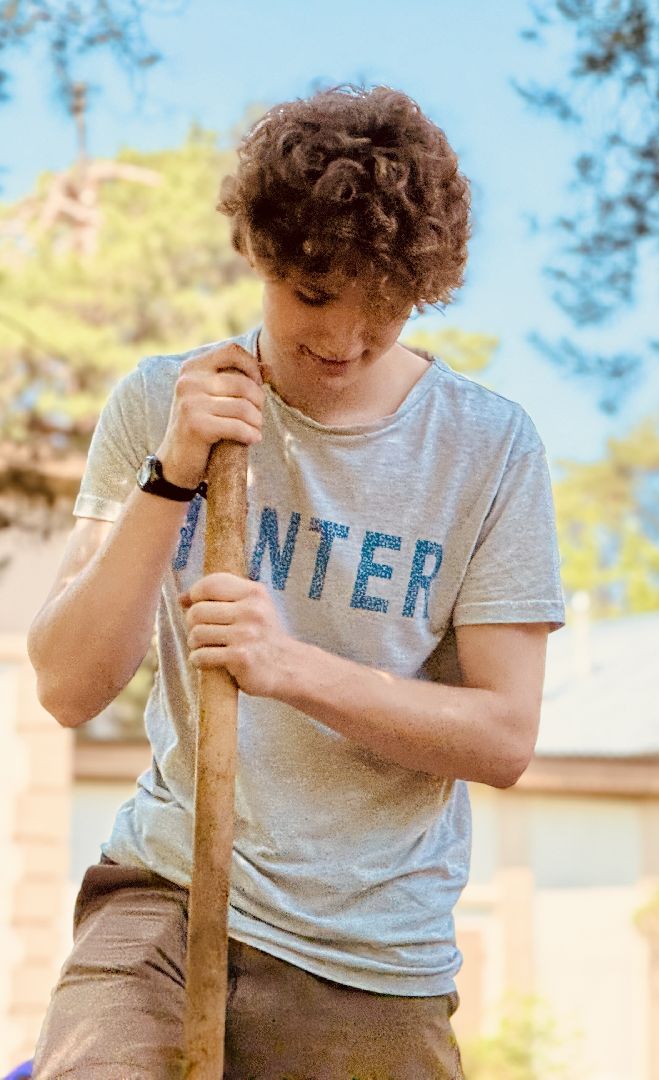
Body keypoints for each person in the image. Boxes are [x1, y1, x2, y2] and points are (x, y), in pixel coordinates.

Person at [26, 84, 564, 1078]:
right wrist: (171, 476)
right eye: (314, 297)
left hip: (370, 957)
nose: (344, 343)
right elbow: (67, 685)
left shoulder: (487, 450)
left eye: (388, 310)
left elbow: (504, 736)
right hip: (170, 890)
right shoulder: (162, 403)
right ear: (260, 259)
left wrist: (290, 667)